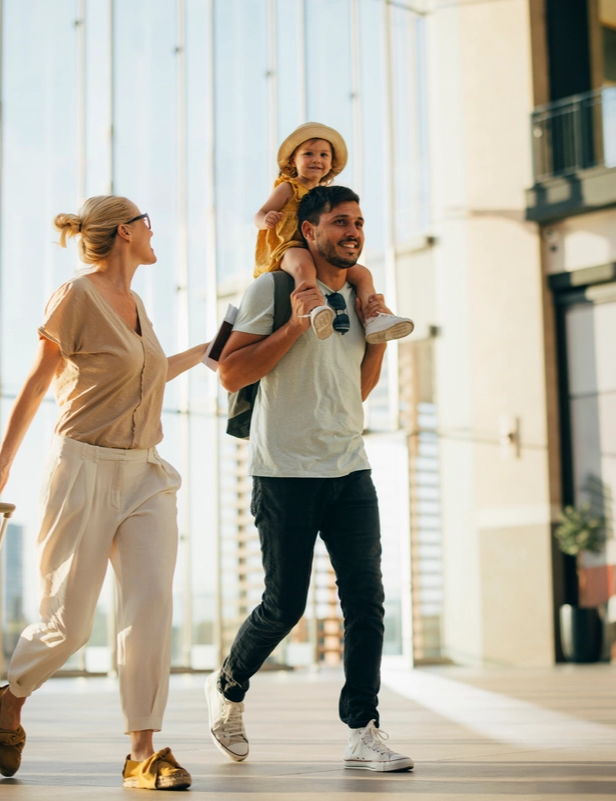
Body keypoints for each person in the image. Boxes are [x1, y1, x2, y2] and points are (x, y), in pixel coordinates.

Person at [0, 195, 206, 791]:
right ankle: (12, 696)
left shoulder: (139, 304)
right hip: (82, 468)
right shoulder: (76, 297)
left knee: (150, 605)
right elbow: (36, 382)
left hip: (145, 474)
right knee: (69, 623)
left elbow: (147, 375)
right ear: (126, 231)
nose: (155, 232)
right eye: (148, 222)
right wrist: (1, 466)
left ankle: (143, 752)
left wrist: (211, 348)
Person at [209, 185, 414, 772]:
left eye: (360, 223)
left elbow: (356, 389)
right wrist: (296, 327)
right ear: (309, 231)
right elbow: (229, 373)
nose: (353, 232)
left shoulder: (358, 294)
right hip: (285, 472)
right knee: (284, 604)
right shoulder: (272, 289)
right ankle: (226, 686)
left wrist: (377, 339)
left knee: (366, 601)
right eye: (341, 222)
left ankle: (362, 729)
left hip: (350, 468)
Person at [254, 122, 413, 344]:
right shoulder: (288, 187)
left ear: (331, 163)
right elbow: (260, 212)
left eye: (324, 155)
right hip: (289, 246)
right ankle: (313, 307)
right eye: (308, 154)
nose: (316, 159)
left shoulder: (326, 195)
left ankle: (375, 316)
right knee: (303, 264)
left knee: (362, 274)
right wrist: (266, 220)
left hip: (318, 249)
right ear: (293, 161)